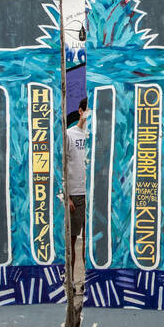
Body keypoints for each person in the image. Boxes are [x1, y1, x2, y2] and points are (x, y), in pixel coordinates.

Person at [65, 98, 89, 265]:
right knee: (72, 241)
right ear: (80, 111)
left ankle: (86, 281)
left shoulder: (94, 135)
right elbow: (62, 165)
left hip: (92, 193)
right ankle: (71, 281)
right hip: (76, 194)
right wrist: (67, 196)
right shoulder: (69, 134)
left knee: (90, 241)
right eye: (87, 111)